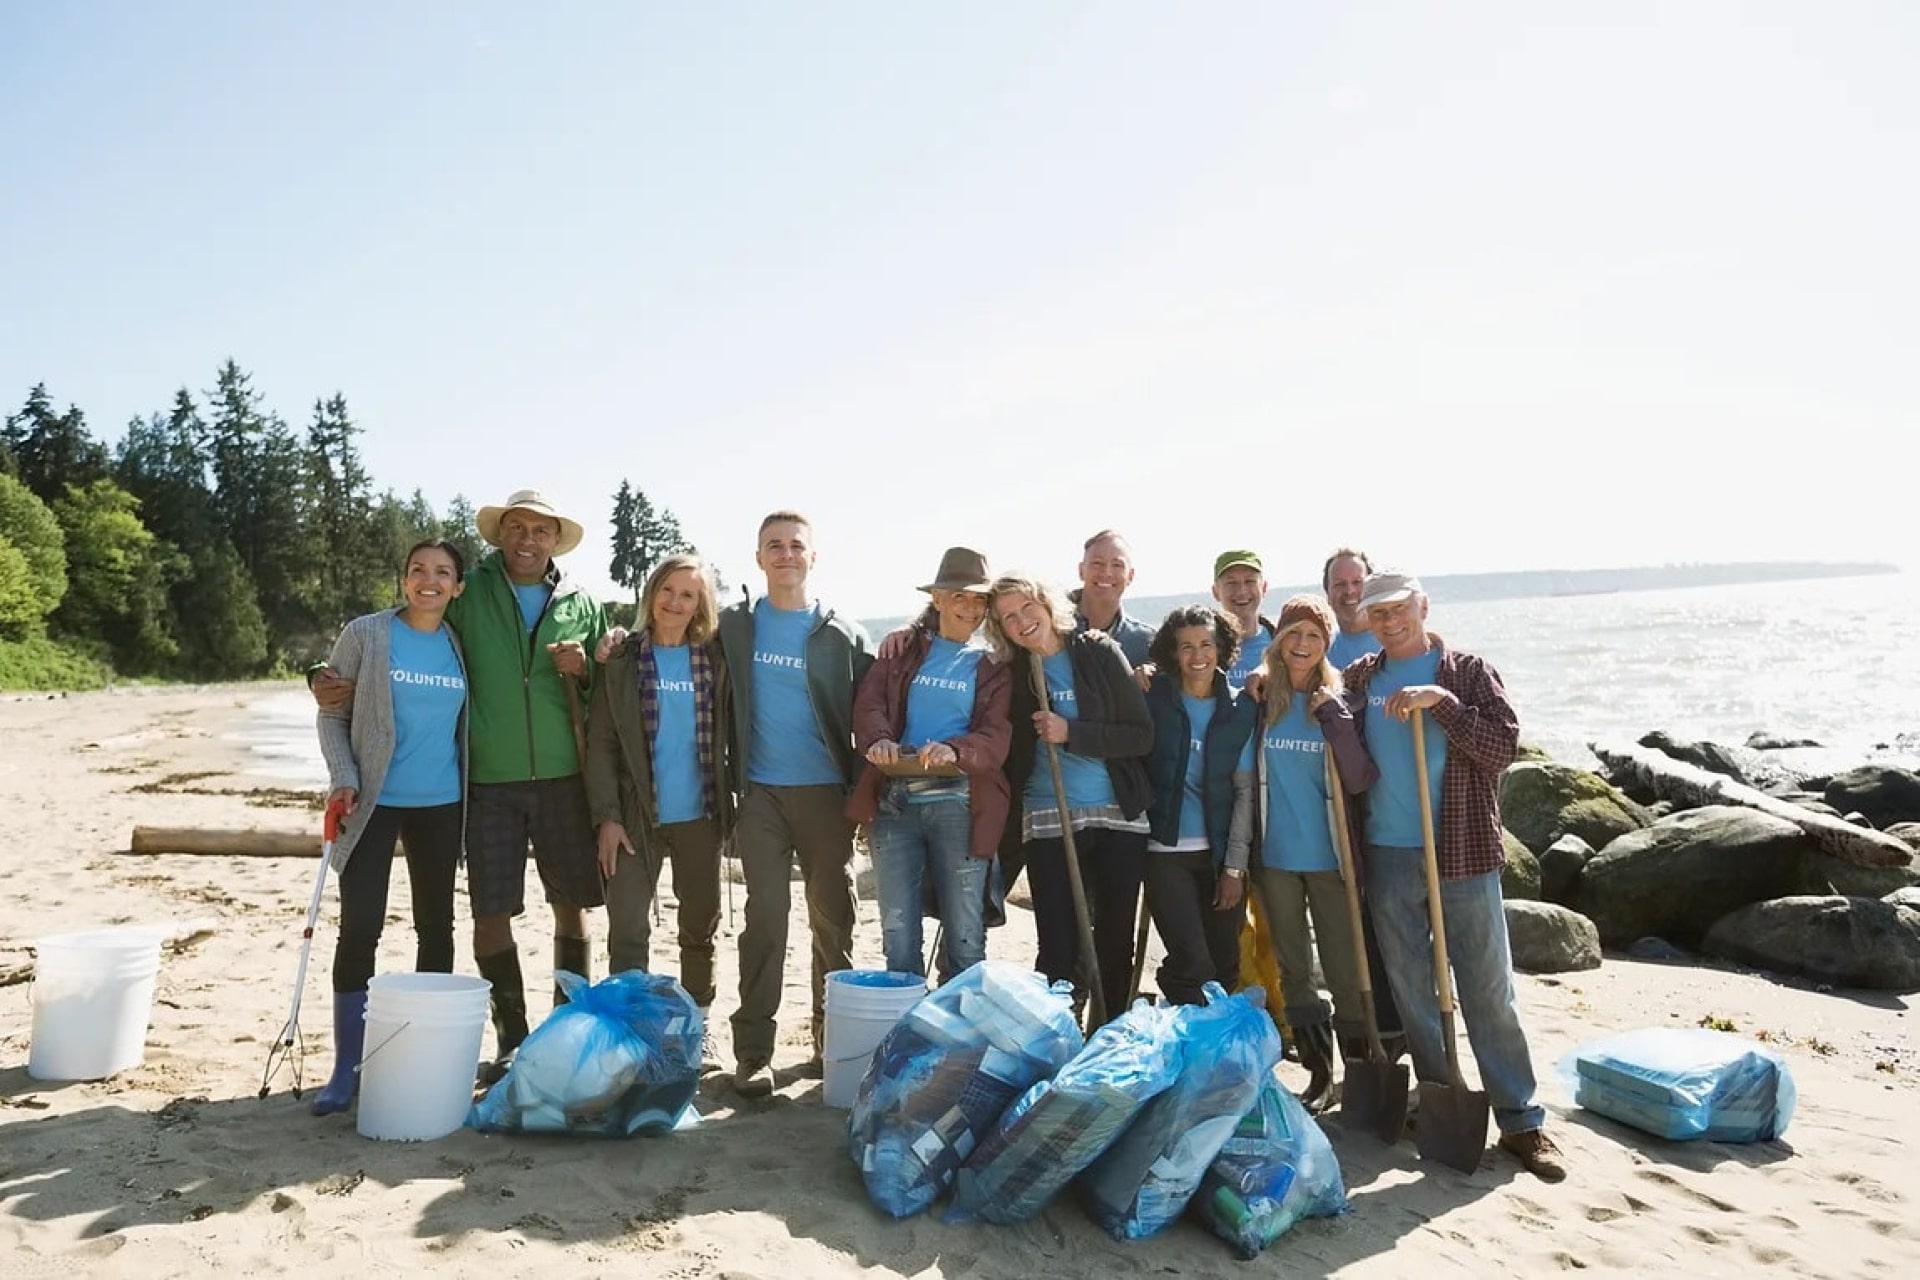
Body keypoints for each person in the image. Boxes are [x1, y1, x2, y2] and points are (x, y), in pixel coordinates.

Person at [311, 488, 608, 1085]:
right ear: (501, 535)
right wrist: (317, 674)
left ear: (555, 539)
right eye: (517, 528)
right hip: (487, 784)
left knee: (569, 909)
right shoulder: (471, 593)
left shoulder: (582, 601)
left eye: (540, 530)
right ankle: (512, 1040)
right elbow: (398, 633)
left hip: (561, 778)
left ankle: (566, 1031)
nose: (528, 539)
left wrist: (590, 669)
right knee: (490, 912)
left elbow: (606, 688)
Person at [1343, 569, 1566, 1182]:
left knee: (1487, 988)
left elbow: (1501, 751)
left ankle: (1521, 1120)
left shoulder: (1466, 672)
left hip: (1461, 851)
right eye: (1377, 613)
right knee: (1414, 990)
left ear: (1422, 606)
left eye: (1398, 609)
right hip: (1388, 853)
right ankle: (1443, 1099)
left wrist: (1444, 706)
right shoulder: (1361, 679)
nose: (1389, 621)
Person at [718, 511, 875, 1097]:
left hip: (826, 796)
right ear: (758, 558)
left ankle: (830, 1043)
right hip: (759, 792)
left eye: (796, 546)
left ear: (814, 557)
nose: (786, 555)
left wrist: (864, 797)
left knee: (834, 919)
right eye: (773, 546)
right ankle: (754, 1051)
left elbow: (877, 710)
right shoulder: (733, 626)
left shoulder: (844, 634)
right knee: (765, 919)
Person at [311, 539, 470, 1115]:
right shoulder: (367, 634)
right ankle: (345, 1072)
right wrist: (343, 776)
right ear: (404, 579)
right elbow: (332, 713)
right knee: (361, 927)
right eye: (418, 571)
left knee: (437, 926)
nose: (428, 581)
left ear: (457, 586)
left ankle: (425, 1052)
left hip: (443, 803)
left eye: (442, 573)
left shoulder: (459, 642)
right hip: (373, 802)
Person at [582, 553, 733, 1058]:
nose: (675, 601)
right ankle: (630, 1034)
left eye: (687, 594)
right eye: (667, 590)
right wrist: (607, 816)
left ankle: (695, 1032)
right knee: (627, 927)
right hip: (634, 818)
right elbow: (600, 742)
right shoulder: (623, 660)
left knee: (699, 926)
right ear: (651, 594)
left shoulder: (713, 659)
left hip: (700, 815)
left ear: (700, 605)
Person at [988, 573, 1153, 1023]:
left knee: (1114, 940)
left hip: (1116, 816)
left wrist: (1071, 733)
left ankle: (1108, 1034)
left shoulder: (1097, 651)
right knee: (1058, 945)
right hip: (1047, 817)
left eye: (1027, 608)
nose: (1021, 622)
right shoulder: (1013, 674)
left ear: (1047, 604)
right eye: (1007, 618)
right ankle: (1057, 1036)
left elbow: (1141, 736)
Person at [847, 547, 1011, 983]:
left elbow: (996, 735)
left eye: (980, 599)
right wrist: (879, 740)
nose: (971, 608)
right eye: (959, 597)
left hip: (959, 806)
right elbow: (870, 706)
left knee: (965, 938)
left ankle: (955, 1039)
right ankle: (907, 1041)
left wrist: (956, 751)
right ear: (937, 599)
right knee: (898, 936)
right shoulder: (901, 651)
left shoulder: (993, 664)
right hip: (893, 806)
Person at [1252, 595, 1375, 1112]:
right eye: (1293, 635)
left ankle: (1360, 1071)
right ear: (1279, 642)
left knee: (1346, 969)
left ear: (1326, 644)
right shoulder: (1260, 700)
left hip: (1330, 860)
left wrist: (1336, 721)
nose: (1302, 645)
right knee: (1294, 970)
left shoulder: (1339, 700)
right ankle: (1320, 1075)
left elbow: (1361, 777)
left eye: (1313, 636)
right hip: (1277, 858)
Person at [1141, 605, 1257, 1006]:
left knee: (1226, 966)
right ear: (1172, 653)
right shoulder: (1154, 700)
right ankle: (1184, 1047)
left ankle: (1213, 1055)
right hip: (1164, 853)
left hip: (1221, 856)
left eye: (1206, 644)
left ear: (1222, 648)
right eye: (1186, 647)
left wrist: (1234, 868)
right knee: (1192, 963)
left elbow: (1245, 792)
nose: (1197, 656)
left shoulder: (1241, 709)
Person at [1070, 530, 1155, 666]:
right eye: (1097, 563)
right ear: (1081, 571)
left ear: (1130, 576)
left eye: (1117, 565)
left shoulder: (1144, 642)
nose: (1107, 573)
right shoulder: (1052, 627)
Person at [1211, 550, 1275, 688]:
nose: (1241, 591)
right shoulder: (1202, 649)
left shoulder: (1283, 645)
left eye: (1249, 581)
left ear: (1263, 588)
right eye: (1231, 583)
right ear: (1216, 592)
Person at [1322, 547, 1381, 669]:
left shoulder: (1396, 641)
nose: (1349, 591)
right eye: (1340, 584)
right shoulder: (1319, 652)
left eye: (1357, 582)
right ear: (1327, 594)